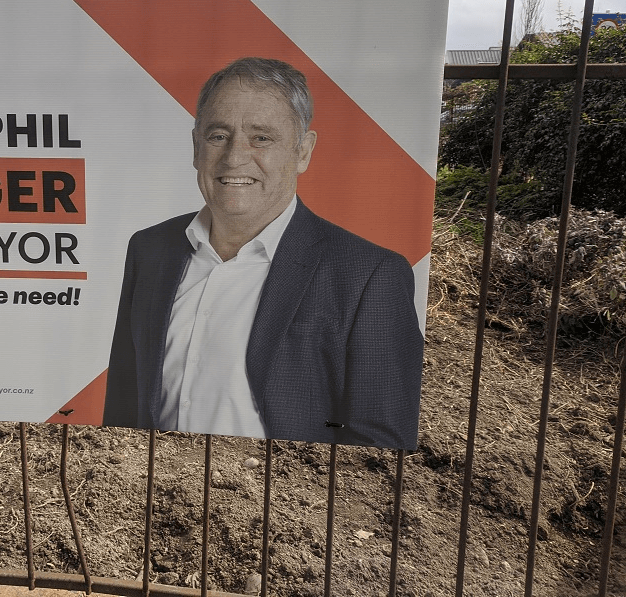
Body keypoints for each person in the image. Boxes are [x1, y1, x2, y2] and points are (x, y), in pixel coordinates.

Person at [102, 57, 423, 449]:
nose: (235, 157)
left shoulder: (369, 275)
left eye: (262, 138)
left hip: (283, 505)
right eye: (218, 136)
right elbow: (121, 408)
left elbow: (382, 447)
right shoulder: (148, 249)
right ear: (195, 146)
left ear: (303, 151)